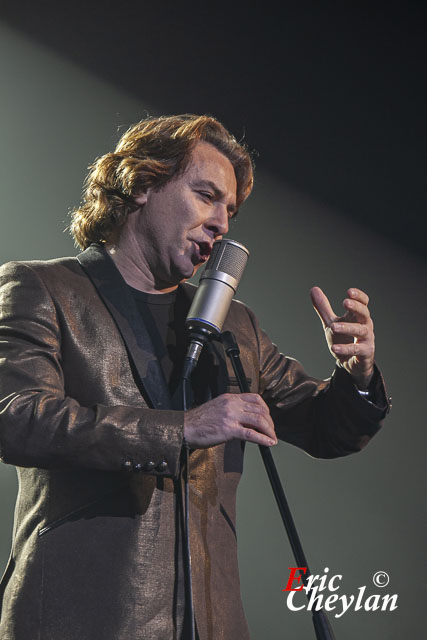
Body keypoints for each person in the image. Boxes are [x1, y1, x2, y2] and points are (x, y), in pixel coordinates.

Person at [0, 114, 390, 640]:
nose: (222, 223)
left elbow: (326, 427)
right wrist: (179, 428)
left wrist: (356, 373)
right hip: (83, 615)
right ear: (140, 185)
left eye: (230, 209)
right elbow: (17, 418)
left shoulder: (237, 326)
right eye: (206, 195)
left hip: (210, 621)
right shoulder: (43, 290)